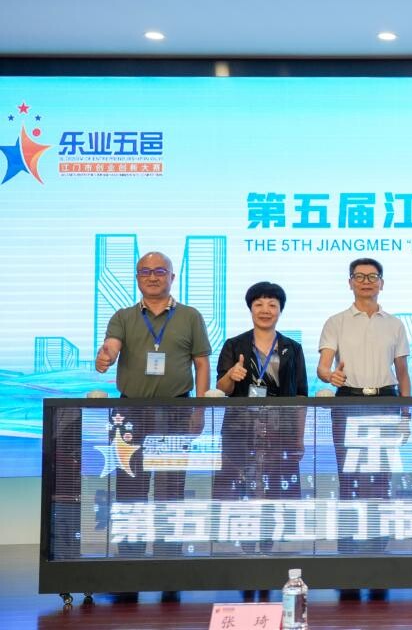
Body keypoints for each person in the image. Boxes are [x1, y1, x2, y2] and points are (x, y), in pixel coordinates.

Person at [93, 251, 211, 603]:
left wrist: (200, 408)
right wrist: (105, 355)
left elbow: (201, 364)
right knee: (130, 488)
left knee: (171, 488)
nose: (153, 276)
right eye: (145, 271)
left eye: (160, 271)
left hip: (177, 410)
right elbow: (111, 347)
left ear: (172, 277)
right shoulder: (123, 316)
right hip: (130, 412)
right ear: (137, 278)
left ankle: (168, 564)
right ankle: (129, 566)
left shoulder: (190, 316)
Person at [316, 257, 410, 601]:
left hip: (385, 401)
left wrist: (405, 413)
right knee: (350, 477)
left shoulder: (395, 324)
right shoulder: (336, 321)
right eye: (360, 276)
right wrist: (331, 376)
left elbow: (403, 373)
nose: (366, 281)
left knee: (381, 479)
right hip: (349, 401)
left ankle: (377, 553)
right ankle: (348, 555)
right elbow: (324, 367)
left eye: (373, 277)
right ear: (350, 282)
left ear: (382, 283)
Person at [212, 281, 308, 597]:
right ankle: (246, 554)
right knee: (243, 487)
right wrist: (231, 376)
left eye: (272, 305)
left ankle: (267, 552)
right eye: (259, 304)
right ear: (250, 308)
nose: (265, 310)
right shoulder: (234, 345)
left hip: (280, 430)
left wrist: (299, 437)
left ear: (280, 310)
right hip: (241, 429)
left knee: (273, 489)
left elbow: (301, 395)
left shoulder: (292, 348)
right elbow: (221, 389)